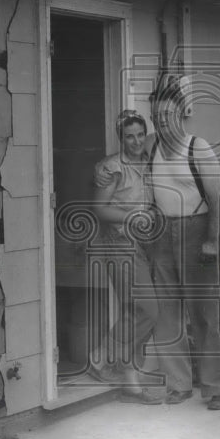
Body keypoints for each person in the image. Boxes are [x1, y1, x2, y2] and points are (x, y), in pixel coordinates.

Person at [143, 81, 220, 411]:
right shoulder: (150, 146)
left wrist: (212, 239)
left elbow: (216, 197)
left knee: (203, 315)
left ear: (181, 114)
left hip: (196, 231)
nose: (160, 121)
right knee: (165, 314)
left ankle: (215, 387)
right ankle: (178, 385)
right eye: (155, 116)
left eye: (166, 115)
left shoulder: (199, 147)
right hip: (162, 234)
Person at [87, 109, 164, 404]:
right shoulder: (112, 167)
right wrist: (132, 216)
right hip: (120, 243)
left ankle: (130, 382)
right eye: (129, 136)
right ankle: (101, 356)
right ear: (121, 138)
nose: (135, 141)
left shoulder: (148, 163)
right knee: (147, 310)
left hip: (145, 244)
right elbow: (101, 209)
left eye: (139, 135)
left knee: (137, 311)